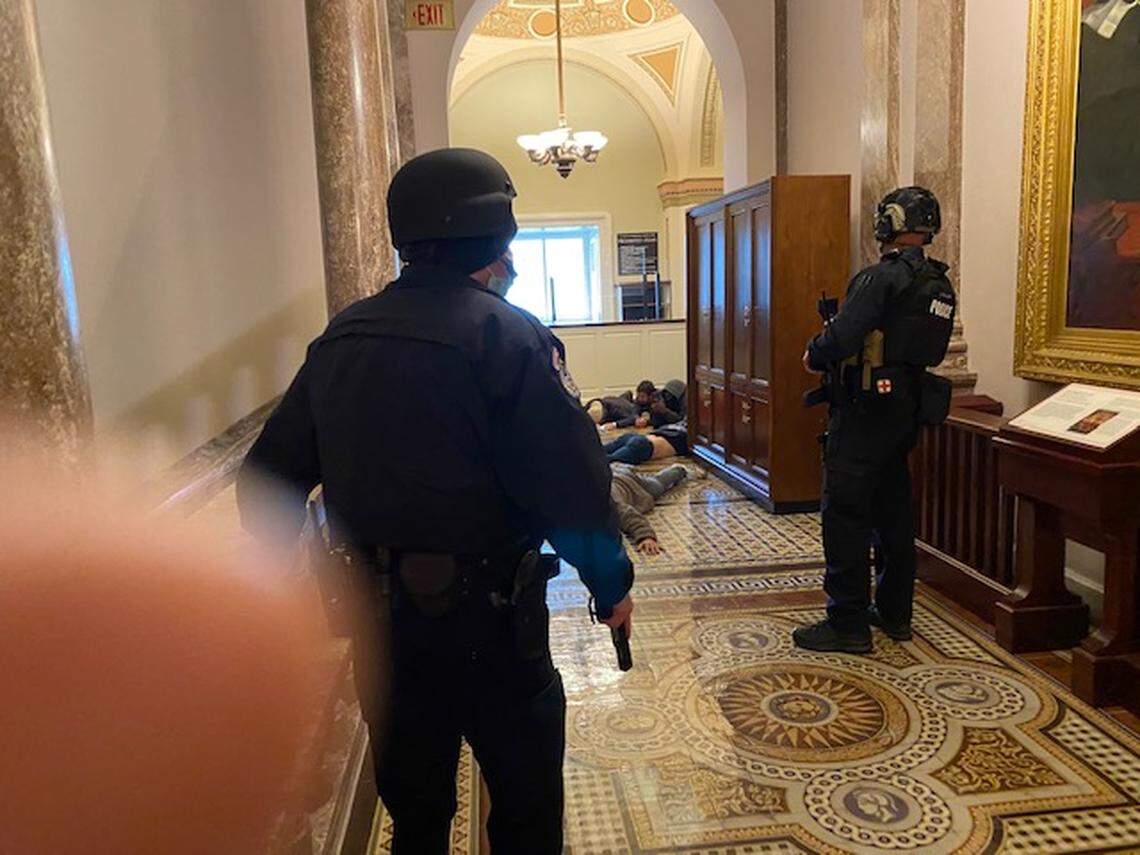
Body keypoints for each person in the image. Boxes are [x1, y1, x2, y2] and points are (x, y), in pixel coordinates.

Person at [236, 148, 634, 854]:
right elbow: (572, 490)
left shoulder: (342, 338)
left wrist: (286, 600)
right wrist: (611, 586)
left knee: (415, 810)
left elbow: (267, 479)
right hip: (496, 626)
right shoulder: (508, 336)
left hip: (383, 627)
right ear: (497, 236)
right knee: (524, 801)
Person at [794, 186, 956, 654]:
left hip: (864, 412)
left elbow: (842, 336)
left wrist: (815, 351)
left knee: (844, 515)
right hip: (905, 410)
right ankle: (894, 612)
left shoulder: (880, 278)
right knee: (893, 513)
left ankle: (846, 622)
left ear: (888, 223)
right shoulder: (940, 284)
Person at [610, 463, 699, 555]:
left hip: (629, 484)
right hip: (612, 474)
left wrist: (646, 537)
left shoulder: (609, 501)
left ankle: (680, 469)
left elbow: (630, 516)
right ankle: (620, 467)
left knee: (657, 485)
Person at [603, 419, 690, 464]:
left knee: (598, 453)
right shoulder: (690, 436)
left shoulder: (675, 426)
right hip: (643, 445)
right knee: (606, 459)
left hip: (640, 439)